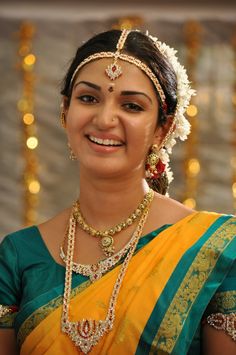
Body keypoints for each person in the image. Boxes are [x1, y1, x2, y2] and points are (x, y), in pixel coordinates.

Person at [0, 29, 235, 355]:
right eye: (89, 98)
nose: (105, 118)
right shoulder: (18, 254)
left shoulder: (214, 248)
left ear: (162, 129)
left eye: (131, 106)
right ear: (65, 111)